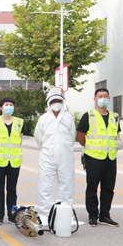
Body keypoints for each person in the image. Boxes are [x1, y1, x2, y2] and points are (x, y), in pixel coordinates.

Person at [76, 88, 121, 227]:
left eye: (106, 96)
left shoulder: (115, 116)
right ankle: (93, 215)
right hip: (93, 157)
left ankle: (105, 215)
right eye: (100, 96)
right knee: (92, 187)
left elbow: (115, 135)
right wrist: (88, 148)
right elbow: (80, 136)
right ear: (95, 99)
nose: (103, 98)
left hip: (110, 157)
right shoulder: (88, 115)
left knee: (108, 188)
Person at [34, 87, 76, 226]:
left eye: (59, 100)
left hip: (66, 156)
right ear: (48, 103)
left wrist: (65, 149)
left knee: (66, 185)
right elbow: (38, 137)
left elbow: (72, 136)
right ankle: (45, 215)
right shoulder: (44, 119)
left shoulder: (68, 118)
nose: (56, 103)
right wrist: (48, 149)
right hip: (47, 156)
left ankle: (64, 215)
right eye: (53, 101)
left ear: (63, 102)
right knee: (45, 185)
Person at [0, 97, 23, 224]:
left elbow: (20, 140)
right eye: (6, 104)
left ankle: (12, 214)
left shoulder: (20, 122)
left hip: (14, 162)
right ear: (1, 107)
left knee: (12, 189)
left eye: (11, 104)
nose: (9, 106)